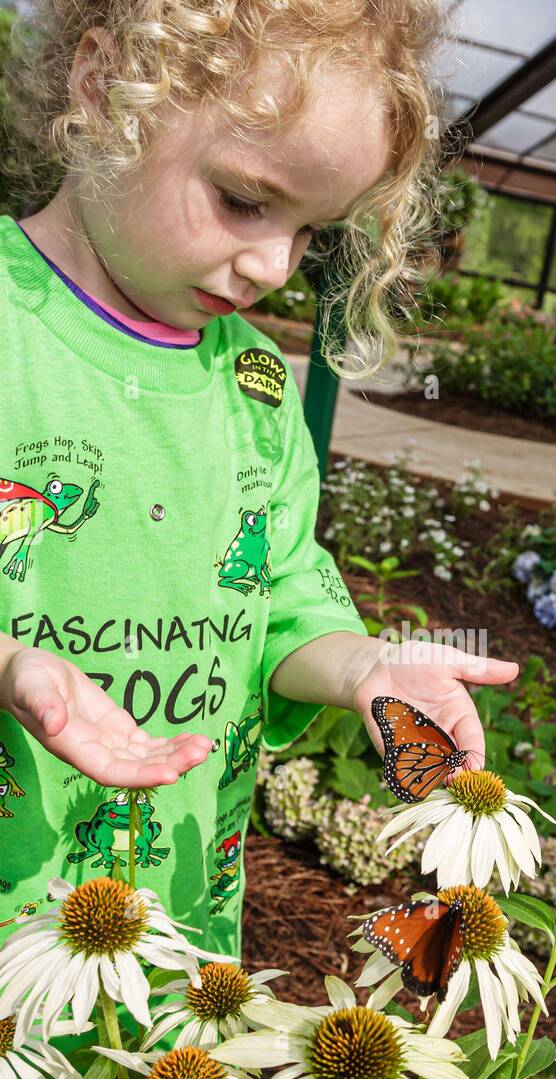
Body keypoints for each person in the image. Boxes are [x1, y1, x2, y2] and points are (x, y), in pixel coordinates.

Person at [0, 2, 519, 961]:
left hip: (180, 922)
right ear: (101, 87)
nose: (273, 266)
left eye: (311, 231)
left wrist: (362, 665)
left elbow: (278, 591)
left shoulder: (260, 388)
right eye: (244, 199)